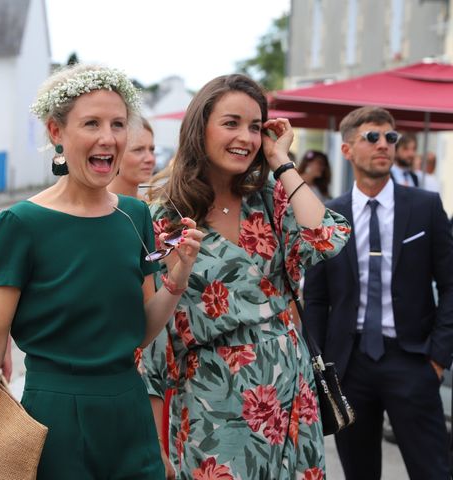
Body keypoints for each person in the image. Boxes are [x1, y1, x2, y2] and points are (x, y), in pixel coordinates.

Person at [0, 64, 204, 480]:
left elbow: (138, 332)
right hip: (56, 420)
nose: (109, 137)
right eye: (92, 123)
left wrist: (177, 276)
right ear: (56, 132)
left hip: (130, 412)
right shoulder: (20, 224)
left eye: (118, 124)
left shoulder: (135, 215)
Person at [140, 74, 351, 479]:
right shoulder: (163, 216)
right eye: (231, 123)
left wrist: (281, 161)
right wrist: (155, 442)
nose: (247, 137)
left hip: (293, 393)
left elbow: (326, 237)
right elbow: (151, 341)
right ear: (200, 128)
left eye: (255, 127)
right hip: (214, 399)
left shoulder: (270, 198)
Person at [303, 106, 453, 479]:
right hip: (349, 366)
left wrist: (438, 357)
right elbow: (317, 299)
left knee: (433, 470)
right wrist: (319, 364)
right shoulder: (327, 215)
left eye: (390, 137)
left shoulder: (425, 207)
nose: (384, 144)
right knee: (359, 473)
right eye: (372, 136)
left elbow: (451, 285)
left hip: (413, 361)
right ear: (347, 149)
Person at [108, 116, 156, 198]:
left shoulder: (148, 207)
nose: (150, 159)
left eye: (151, 150)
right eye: (138, 150)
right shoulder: (93, 208)